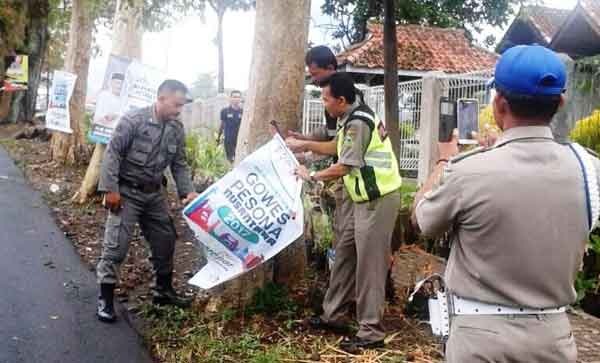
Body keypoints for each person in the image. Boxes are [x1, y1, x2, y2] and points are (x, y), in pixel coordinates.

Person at [412, 45, 600, 362]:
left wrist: (444, 160)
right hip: (553, 339)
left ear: (499, 103)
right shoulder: (589, 169)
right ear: (561, 102)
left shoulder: (469, 170)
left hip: (481, 341)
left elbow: (422, 221)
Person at [288, 72, 402, 353]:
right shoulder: (350, 118)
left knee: (370, 265)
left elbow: (344, 165)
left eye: (326, 99)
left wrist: (310, 175)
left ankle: (371, 330)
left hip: (378, 199)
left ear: (341, 100)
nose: (323, 103)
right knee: (344, 256)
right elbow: (335, 148)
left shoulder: (358, 123)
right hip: (360, 199)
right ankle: (333, 315)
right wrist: (303, 146)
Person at [96, 79, 199, 323]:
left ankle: (162, 291)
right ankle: (105, 297)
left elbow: (180, 164)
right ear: (161, 99)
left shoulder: (176, 128)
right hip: (126, 192)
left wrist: (188, 192)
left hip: (154, 194)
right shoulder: (134, 120)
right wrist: (110, 189)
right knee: (116, 245)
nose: (178, 110)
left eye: (181, 106)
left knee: (165, 240)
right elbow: (113, 153)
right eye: (176, 105)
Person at [217, 90, 243, 162]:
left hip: (240, 139)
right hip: (228, 140)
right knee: (231, 160)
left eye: (238, 97)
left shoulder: (243, 111)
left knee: (240, 159)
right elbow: (222, 125)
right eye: (234, 97)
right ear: (230, 98)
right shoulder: (224, 111)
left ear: (241, 99)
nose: (236, 99)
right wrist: (218, 138)